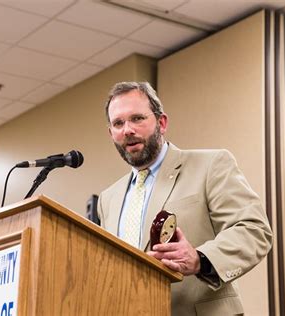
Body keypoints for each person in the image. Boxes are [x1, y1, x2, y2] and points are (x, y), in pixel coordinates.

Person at [97, 81, 273, 316]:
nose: (127, 129)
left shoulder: (211, 165)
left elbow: (253, 230)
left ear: (161, 122)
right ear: (111, 133)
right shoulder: (108, 198)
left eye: (137, 118)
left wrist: (200, 258)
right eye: (118, 123)